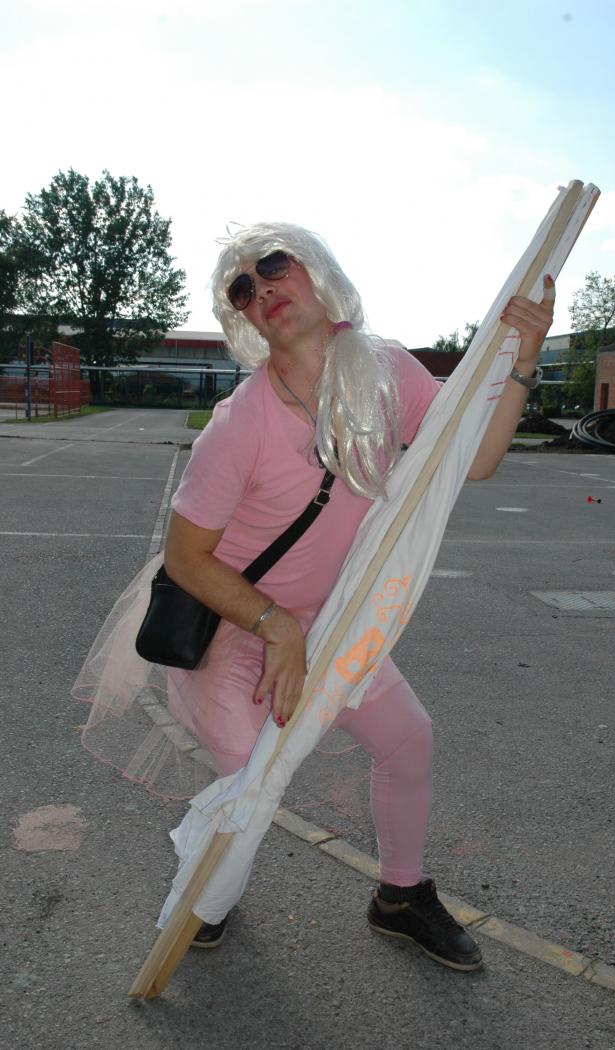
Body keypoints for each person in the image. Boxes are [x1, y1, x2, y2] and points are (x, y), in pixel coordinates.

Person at [158, 222, 554, 968]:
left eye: (275, 266)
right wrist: (275, 626)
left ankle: (399, 896)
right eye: (243, 288)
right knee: (248, 764)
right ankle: (210, 888)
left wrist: (525, 356)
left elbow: (472, 459)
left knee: (409, 740)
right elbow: (185, 559)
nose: (263, 288)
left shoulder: (386, 369)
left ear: (315, 271)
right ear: (244, 321)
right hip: (236, 620)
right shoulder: (239, 426)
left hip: (334, 619)